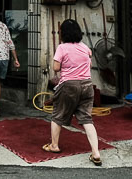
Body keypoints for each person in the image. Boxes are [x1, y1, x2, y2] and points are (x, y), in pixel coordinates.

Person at [42, 18, 102, 166]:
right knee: (87, 119)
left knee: (58, 114)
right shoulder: (85, 47)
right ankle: (96, 152)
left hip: (69, 85)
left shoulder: (62, 48)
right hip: (87, 85)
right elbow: (89, 64)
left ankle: (54, 146)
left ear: (63, 33)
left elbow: (56, 68)